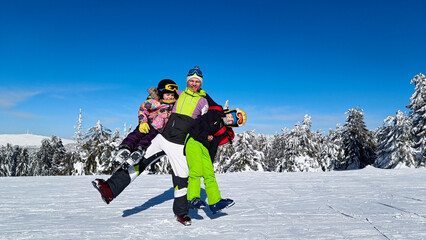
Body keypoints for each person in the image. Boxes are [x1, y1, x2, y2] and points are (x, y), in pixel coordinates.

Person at [93, 66, 209, 226]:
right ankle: (110, 189)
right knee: (138, 160)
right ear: (187, 81)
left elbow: (208, 120)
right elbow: (157, 97)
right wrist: (150, 105)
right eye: (191, 80)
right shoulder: (179, 94)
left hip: (179, 144)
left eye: (197, 81)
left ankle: (182, 213)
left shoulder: (204, 101)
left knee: (182, 177)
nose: (194, 83)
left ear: (201, 83)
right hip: (161, 136)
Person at [92, 79, 179, 203]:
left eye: (172, 95)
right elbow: (143, 109)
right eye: (167, 94)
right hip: (148, 125)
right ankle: (125, 148)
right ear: (161, 93)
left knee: (146, 142)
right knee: (136, 135)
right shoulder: (155, 102)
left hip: (160, 132)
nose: (170, 97)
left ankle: (138, 151)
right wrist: (143, 121)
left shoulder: (175, 103)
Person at [185, 96, 247, 214]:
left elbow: (213, 147)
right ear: (229, 112)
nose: (229, 119)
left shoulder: (221, 131)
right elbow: (197, 127)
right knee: (196, 172)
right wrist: (206, 136)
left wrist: (210, 160)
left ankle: (215, 202)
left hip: (203, 146)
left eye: (232, 122)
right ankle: (192, 198)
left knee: (210, 175)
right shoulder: (215, 112)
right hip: (193, 141)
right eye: (231, 116)